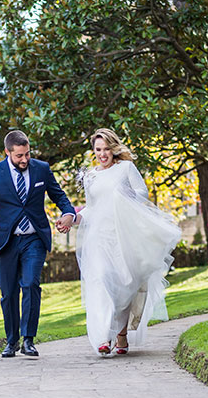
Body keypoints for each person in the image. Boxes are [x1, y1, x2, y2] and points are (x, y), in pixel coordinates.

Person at [71, 128, 181, 355]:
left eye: (106, 149)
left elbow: (142, 193)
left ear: (113, 148)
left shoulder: (126, 168)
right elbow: (91, 208)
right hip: (99, 239)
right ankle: (104, 336)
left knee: (124, 284)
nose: (102, 154)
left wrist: (125, 195)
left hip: (123, 236)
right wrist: (74, 218)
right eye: (98, 150)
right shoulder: (91, 176)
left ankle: (120, 334)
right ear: (94, 151)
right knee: (101, 280)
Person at [0, 130, 76, 358]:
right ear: (7, 152)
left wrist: (69, 213)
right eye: (19, 156)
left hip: (34, 239)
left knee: (30, 284)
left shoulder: (41, 168)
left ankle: (29, 340)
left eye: (27, 154)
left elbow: (59, 196)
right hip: (6, 241)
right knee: (9, 294)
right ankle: (12, 341)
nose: (25, 160)